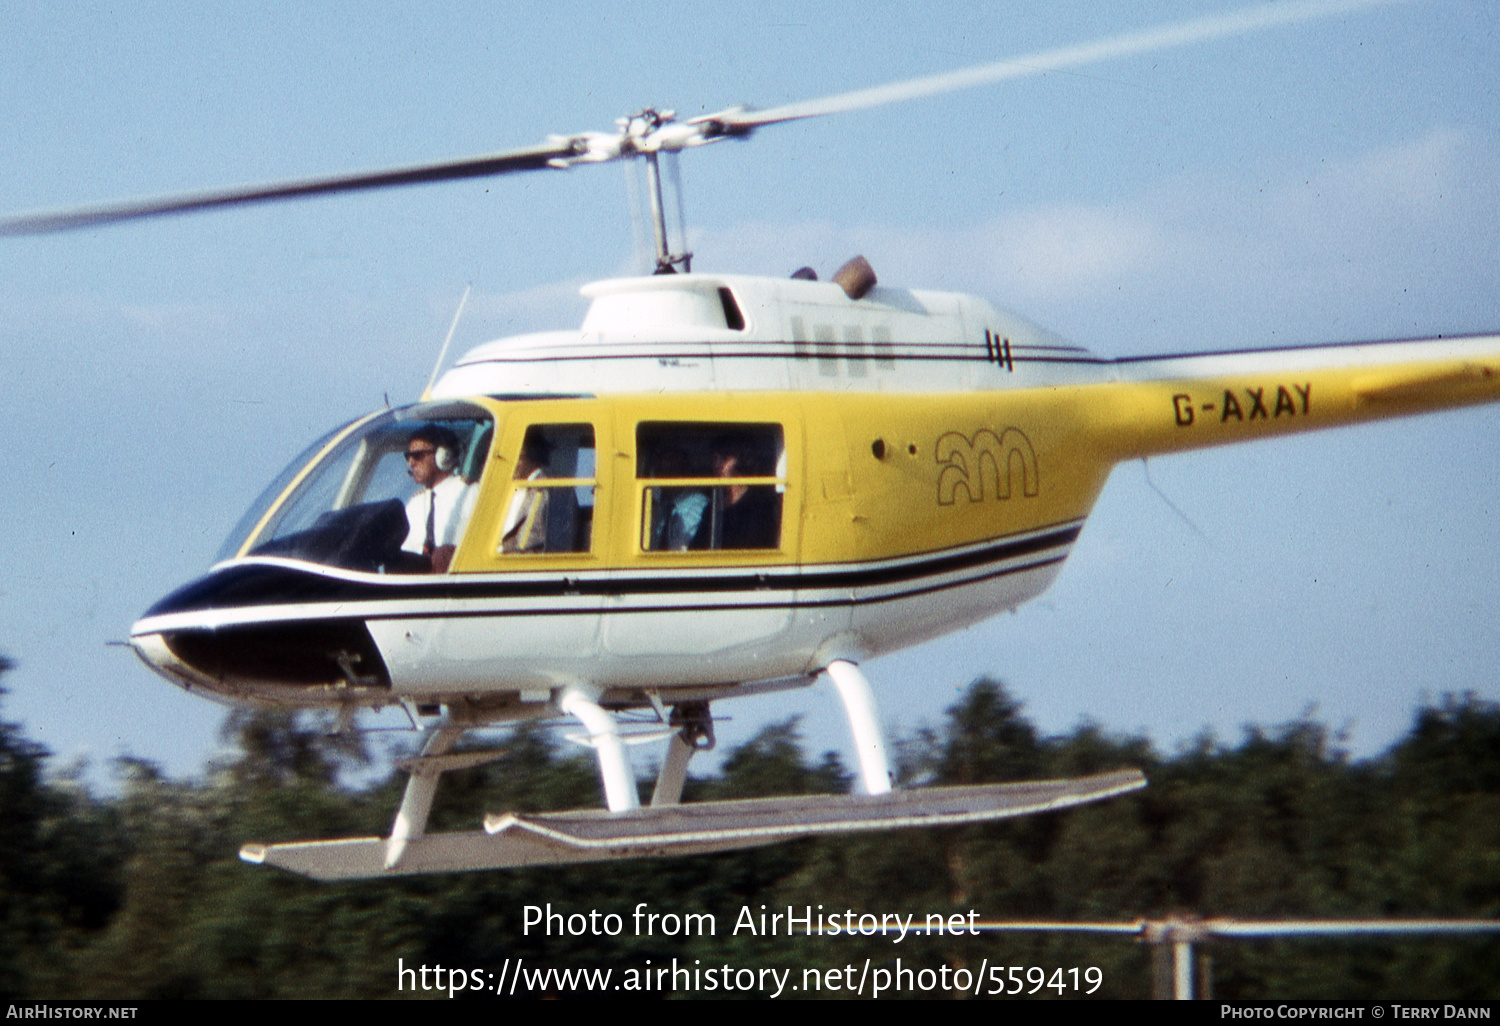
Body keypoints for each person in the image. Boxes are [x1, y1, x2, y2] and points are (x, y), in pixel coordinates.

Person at [402, 425, 475, 573]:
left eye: (417, 455)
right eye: (408, 456)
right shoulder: (414, 505)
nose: (411, 463)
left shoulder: (469, 493)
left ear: (443, 455)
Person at [500, 433, 551, 553]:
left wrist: (501, 550)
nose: (513, 465)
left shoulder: (542, 490)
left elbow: (530, 538)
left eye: (518, 458)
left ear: (532, 458)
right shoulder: (515, 487)